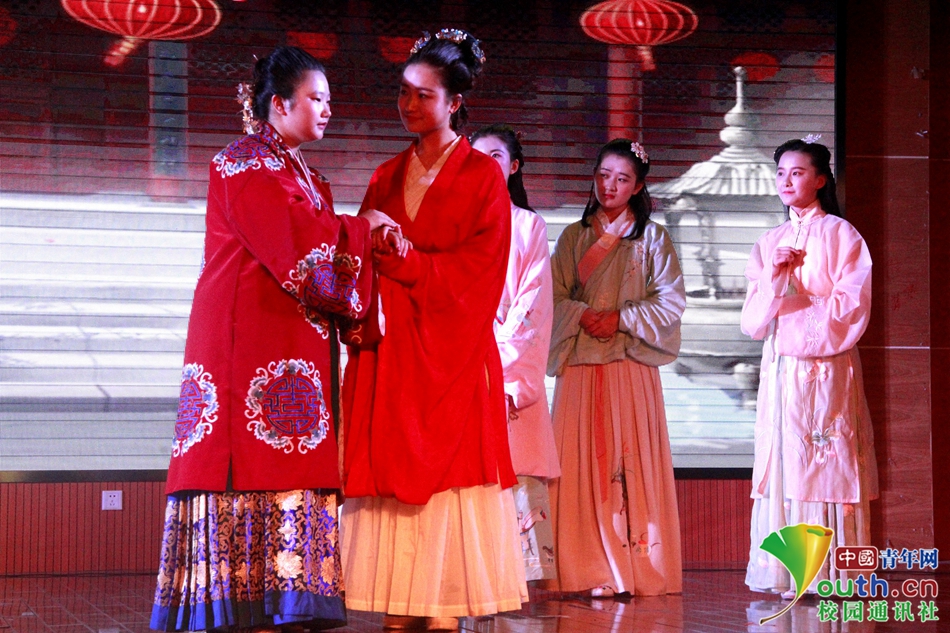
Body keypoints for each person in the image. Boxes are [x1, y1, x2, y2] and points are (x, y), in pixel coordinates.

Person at [150, 46, 398, 632]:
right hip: (244, 340)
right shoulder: (242, 163)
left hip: (289, 336)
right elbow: (299, 242)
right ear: (280, 104)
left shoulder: (304, 174)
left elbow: (315, 244)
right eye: (316, 98)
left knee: (290, 450)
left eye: (330, 99)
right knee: (250, 451)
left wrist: (357, 234)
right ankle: (245, 598)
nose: (327, 109)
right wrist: (364, 227)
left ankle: (282, 598)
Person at [340, 29, 528, 630]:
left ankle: (441, 607)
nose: (409, 105)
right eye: (404, 92)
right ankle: (399, 607)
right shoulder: (386, 174)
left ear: (454, 103)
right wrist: (369, 243)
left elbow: (481, 271)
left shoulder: (481, 177)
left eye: (424, 96)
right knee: (393, 480)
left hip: (453, 350)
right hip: (395, 351)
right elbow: (358, 257)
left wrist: (407, 262)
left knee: (449, 481)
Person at [547, 138, 685, 598]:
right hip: (581, 365)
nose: (610, 186)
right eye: (604, 175)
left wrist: (621, 318)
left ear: (638, 187)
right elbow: (551, 298)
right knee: (579, 465)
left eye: (622, 179)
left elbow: (670, 302)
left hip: (630, 365)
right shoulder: (573, 238)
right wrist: (583, 314)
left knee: (630, 463)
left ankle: (635, 565)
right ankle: (585, 567)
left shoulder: (653, 239)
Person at [741, 137, 878, 596]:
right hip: (782, 370)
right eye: (781, 173)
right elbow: (752, 321)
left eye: (797, 172)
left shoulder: (842, 235)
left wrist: (797, 314)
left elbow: (852, 304)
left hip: (826, 368)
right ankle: (787, 570)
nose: (786, 181)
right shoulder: (769, 242)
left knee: (823, 458)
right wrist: (774, 276)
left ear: (820, 180)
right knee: (786, 459)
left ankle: (829, 573)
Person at [470, 124, 560, 583]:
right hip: (461, 365)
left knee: (514, 463)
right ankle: (467, 573)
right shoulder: (452, 224)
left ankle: (513, 576)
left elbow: (533, 303)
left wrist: (500, 367)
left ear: (514, 166)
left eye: (496, 157)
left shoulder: (528, 226)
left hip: (506, 369)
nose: (486, 165)